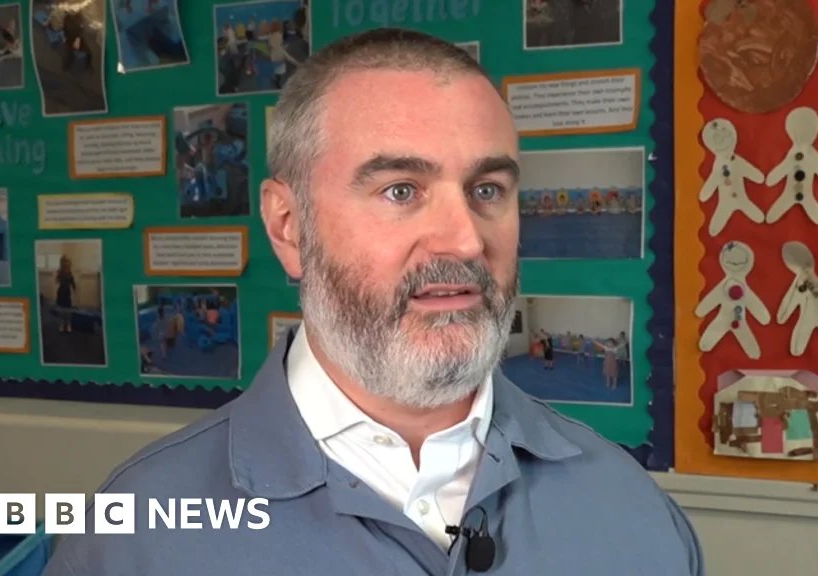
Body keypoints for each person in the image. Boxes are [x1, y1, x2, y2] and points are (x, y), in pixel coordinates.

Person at [41, 28, 703, 575]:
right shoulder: (136, 540)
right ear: (288, 226)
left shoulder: (631, 514)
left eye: (487, 190)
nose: (465, 240)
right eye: (400, 190)